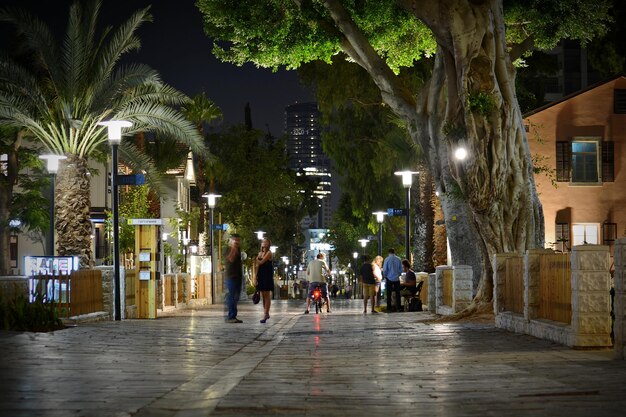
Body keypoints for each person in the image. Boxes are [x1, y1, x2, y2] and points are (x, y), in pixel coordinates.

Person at [223, 233, 243, 323]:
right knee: (231, 297)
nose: (237, 242)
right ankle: (230, 317)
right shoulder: (227, 249)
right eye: (235, 240)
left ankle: (233, 316)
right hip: (230, 277)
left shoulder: (238, 249)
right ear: (231, 240)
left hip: (238, 277)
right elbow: (230, 259)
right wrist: (234, 248)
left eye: (238, 240)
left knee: (236, 297)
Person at [255, 238, 274, 323]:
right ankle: (266, 313)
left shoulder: (269, 253)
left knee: (267, 295)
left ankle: (266, 314)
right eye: (263, 242)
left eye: (266, 242)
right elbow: (257, 266)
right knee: (263, 295)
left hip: (267, 275)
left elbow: (261, 262)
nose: (264, 243)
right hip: (261, 275)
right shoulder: (260, 253)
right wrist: (255, 276)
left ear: (268, 244)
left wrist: (257, 259)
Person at [382, 248, 403, 312]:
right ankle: (398, 308)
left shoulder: (387, 259)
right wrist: (398, 274)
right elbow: (401, 269)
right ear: (394, 252)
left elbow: (385, 269)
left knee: (389, 294)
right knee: (398, 294)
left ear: (389, 252)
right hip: (396, 279)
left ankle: (389, 308)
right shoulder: (398, 259)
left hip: (389, 278)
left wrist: (385, 276)